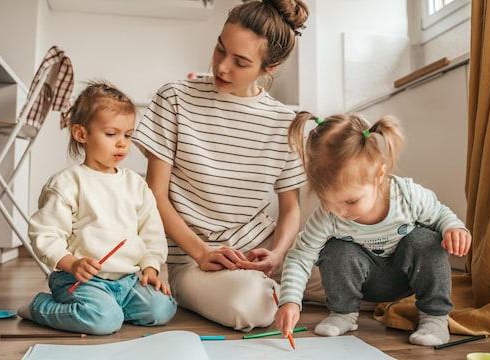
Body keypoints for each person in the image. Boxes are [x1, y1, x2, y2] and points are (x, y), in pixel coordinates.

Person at [132, 0, 310, 331]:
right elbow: (154, 194)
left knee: (358, 275)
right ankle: (279, 294)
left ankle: (285, 288)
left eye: (240, 62)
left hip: (263, 248)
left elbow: (290, 209)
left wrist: (279, 254)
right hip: (195, 260)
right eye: (219, 49)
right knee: (252, 307)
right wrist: (200, 253)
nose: (222, 67)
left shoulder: (286, 122)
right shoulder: (174, 98)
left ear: (268, 68)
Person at [275, 111, 472, 346]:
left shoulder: (407, 196)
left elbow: (441, 214)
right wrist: (290, 301)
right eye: (327, 200)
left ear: (379, 175)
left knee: (426, 240)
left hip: (405, 278)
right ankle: (343, 314)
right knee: (336, 248)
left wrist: (454, 229)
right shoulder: (327, 216)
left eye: (350, 201)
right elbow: (300, 256)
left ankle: (434, 318)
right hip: (364, 283)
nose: (341, 212)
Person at [18, 81, 177, 335]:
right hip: (79, 280)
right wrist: (71, 263)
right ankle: (39, 307)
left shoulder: (135, 184)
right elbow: (46, 234)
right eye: (111, 134)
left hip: (126, 280)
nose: (122, 144)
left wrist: (150, 269)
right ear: (82, 135)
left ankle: (105, 310)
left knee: (163, 309)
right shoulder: (68, 183)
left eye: (128, 135)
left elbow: (152, 232)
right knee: (104, 321)